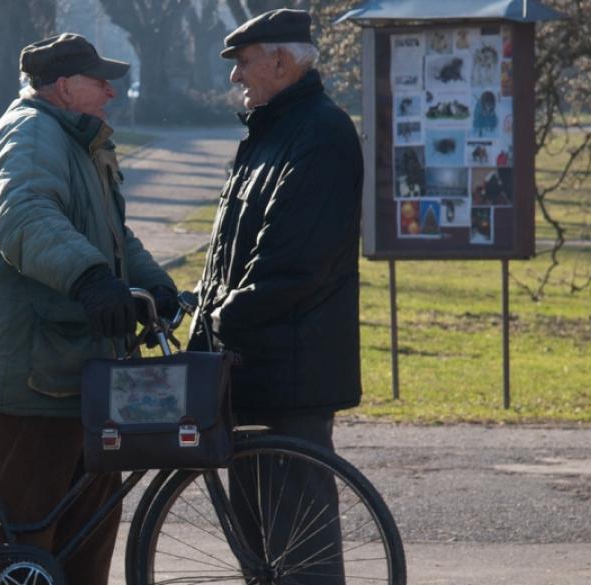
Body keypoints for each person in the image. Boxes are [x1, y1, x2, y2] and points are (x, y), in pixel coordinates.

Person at [0, 33, 177, 585]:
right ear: (62, 86)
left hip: (75, 371)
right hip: (29, 378)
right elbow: (24, 218)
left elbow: (110, 234)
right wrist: (92, 280)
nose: (111, 91)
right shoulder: (30, 136)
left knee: (86, 535)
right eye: (100, 80)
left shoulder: (76, 140)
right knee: (24, 547)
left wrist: (153, 285)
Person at [190, 9, 363, 582]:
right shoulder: (271, 132)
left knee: (298, 554)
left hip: (291, 377)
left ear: (282, 63)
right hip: (253, 371)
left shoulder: (321, 133)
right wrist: (199, 307)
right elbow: (232, 253)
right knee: (261, 555)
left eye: (243, 63)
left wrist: (218, 317)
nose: (236, 78)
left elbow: (292, 265)